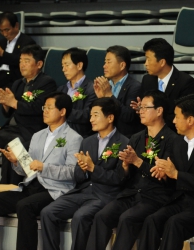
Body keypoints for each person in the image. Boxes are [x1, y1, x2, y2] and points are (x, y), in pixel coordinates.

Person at [0, 92, 83, 250]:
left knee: (25, 206)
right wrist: (16, 162)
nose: (44, 110)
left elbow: (72, 173)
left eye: (49, 108)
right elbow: (27, 169)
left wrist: (44, 167)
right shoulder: (37, 136)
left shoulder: (74, 138)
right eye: (44, 107)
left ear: (62, 111)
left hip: (54, 190)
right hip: (31, 185)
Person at [87, 90, 178, 250]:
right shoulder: (137, 138)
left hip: (155, 196)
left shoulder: (172, 140)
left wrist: (136, 161)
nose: (140, 111)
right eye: (140, 107)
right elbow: (123, 178)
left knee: (127, 218)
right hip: (131, 194)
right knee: (102, 216)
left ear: (159, 110)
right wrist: (125, 166)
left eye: (145, 107)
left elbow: (164, 177)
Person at [138, 94, 194, 250]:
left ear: (190, 120)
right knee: (152, 220)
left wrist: (176, 174)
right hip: (182, 200)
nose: (173, 121)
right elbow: (172, 175)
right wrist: (164, 174)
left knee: (175, 223)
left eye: (176, 117)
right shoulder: (178, 142)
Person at [40, 97, 129, 250]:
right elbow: (78, 175)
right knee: (48, 212)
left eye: (95, 115)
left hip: (105, 195)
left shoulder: (124, 143)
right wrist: (83, 169)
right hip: (83, 191)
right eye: (90, 115)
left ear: (110, 118)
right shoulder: (88, 141)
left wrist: (93, 168)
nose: (91, 119)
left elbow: (119, 178)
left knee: (80, 217)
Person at [0, 44, 56, 185]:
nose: (22, 65)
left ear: (39, 64)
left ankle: (8, 189)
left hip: (29, 131)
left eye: (27, 61)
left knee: (11, 149)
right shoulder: (18, 84)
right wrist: (6, 105)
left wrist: (14, 103)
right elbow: (8, 114)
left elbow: (38, 109)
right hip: (10, 129)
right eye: (20, 61)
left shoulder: (47, 83)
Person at [131, 38, 194, 132]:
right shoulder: (147, 80)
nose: (145, 64)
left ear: (162, 62)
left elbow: (185, 117)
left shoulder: (186, 82)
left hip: (175, 135)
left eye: (148, 59)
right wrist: (142, 109)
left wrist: (152, 113)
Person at [0, 11, 36, 92]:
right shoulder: (1, 43)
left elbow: (21, 61)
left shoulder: (27, 42)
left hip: (15, 79)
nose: (5, 34)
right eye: (1, 31)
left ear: (16, 26)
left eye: (7, 30)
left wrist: (2, 53)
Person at [94, 45, 142, 137]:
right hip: (105, 136)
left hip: (125, 138)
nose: (104, 66)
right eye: (105, 62)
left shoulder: (135, 87)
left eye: (109, 62)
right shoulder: (106, 85)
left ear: (122, 65)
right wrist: (100, 100)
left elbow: (128, 116)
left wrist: (109, 96)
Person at [57, 47, 96, 138]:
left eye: (67, 65)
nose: (63, 69)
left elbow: (88, 115)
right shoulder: (61, 90)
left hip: (80, 136)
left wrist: (62, 112)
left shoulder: (92, 88)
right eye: (62, 66)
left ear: (79, 66)